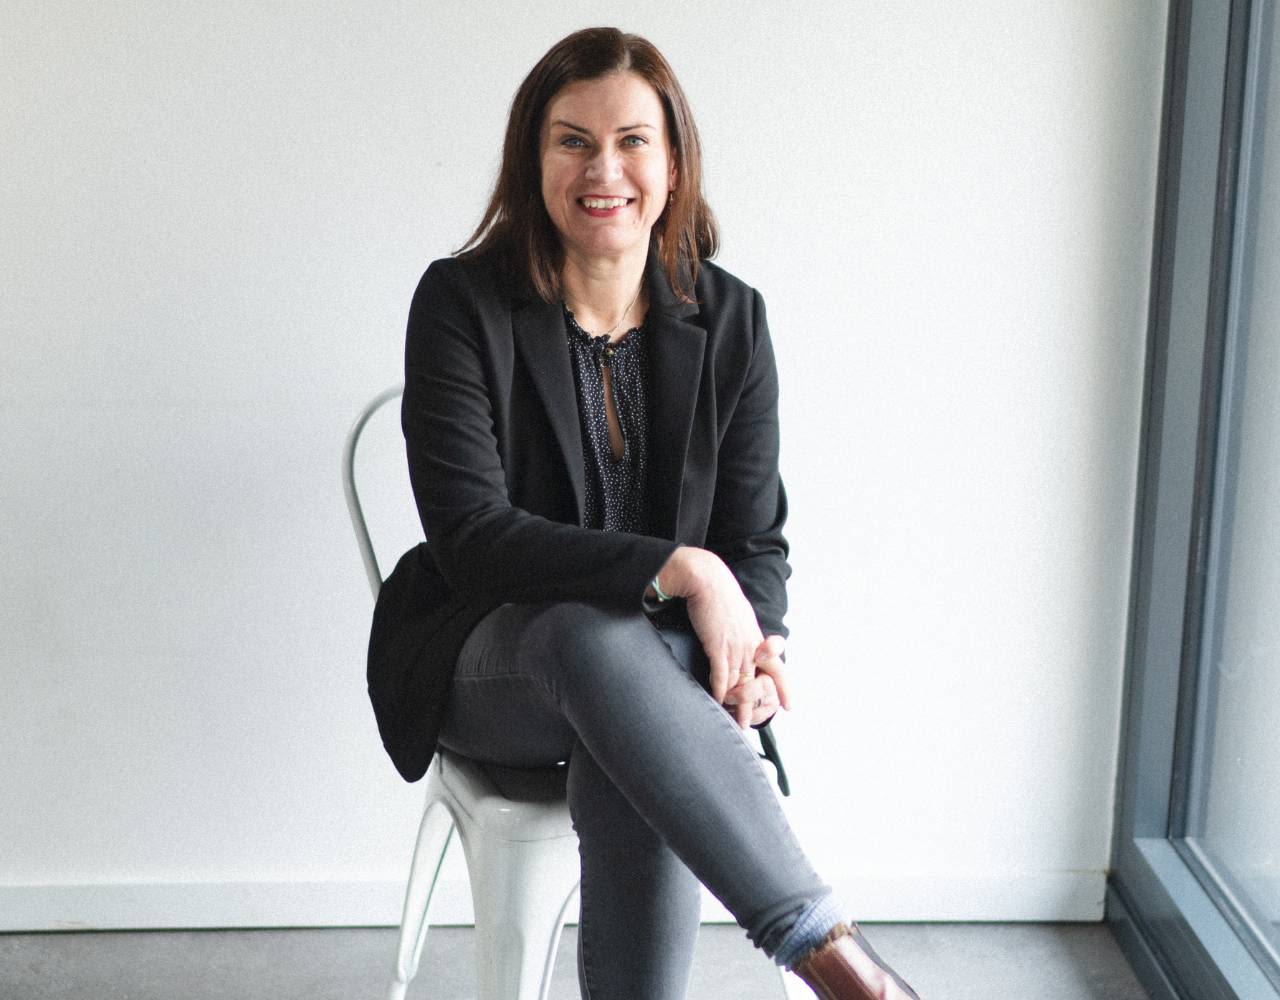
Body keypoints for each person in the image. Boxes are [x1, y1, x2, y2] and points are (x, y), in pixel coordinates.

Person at [370, 25, 921, 1000]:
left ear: (672, 164)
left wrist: (760, 643)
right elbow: (471, 536)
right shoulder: (462, 302)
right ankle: (833, 956)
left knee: (629, 716)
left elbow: (752, 536)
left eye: (632, 140)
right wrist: (686, 570)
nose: (603, 168)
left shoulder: (730, 319)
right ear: (531, 160)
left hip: (655, 675)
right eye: (570, 139)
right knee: (589, 640)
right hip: (489, 660)